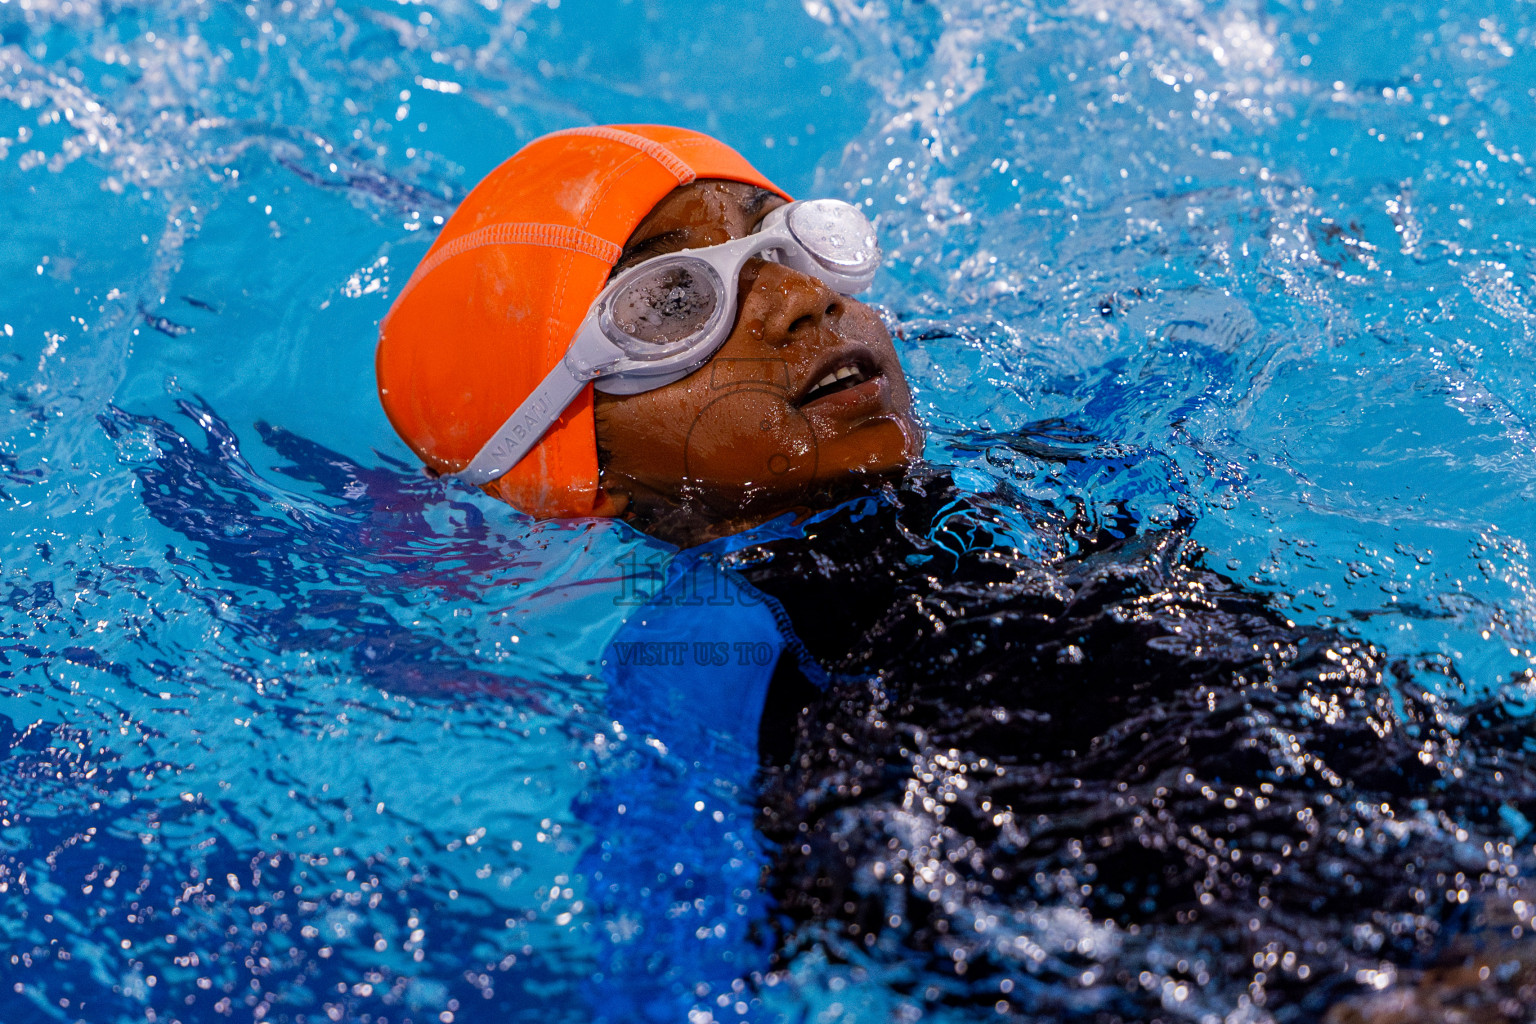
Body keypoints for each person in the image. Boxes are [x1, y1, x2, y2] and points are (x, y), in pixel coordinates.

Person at [377, 126, 1536, 1023]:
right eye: (675, 305)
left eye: (791, 243)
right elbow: (686, 964)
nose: (798, 299)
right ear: (578, 461)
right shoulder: (704, 648)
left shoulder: (1030, 475)